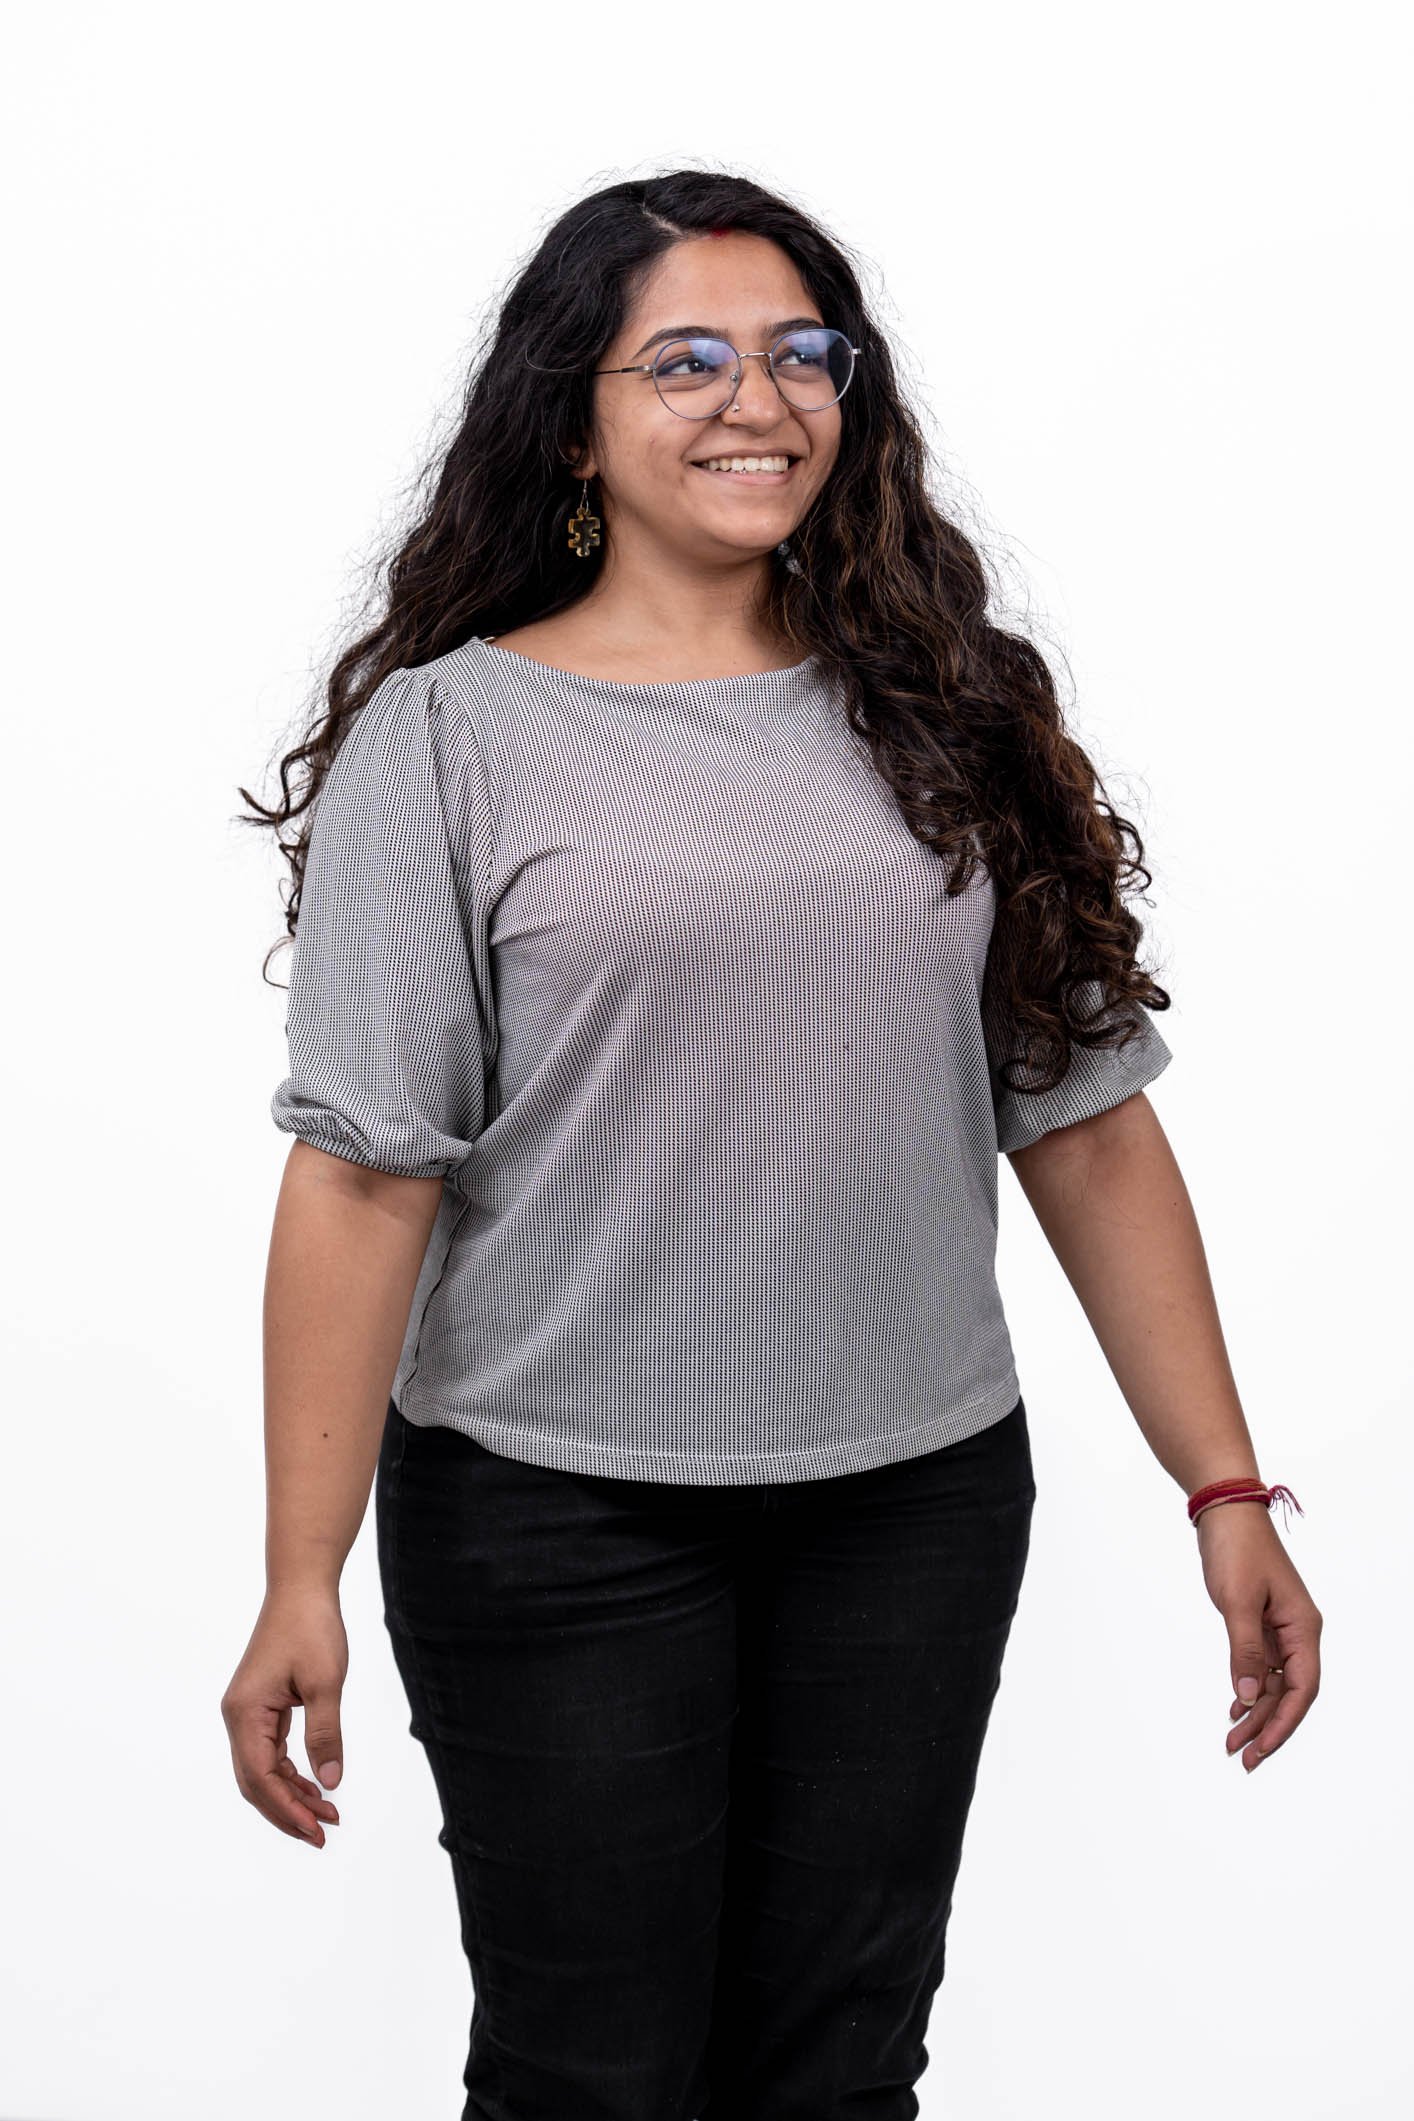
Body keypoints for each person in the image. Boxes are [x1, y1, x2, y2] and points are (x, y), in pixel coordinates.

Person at [222, 169, 1322, 2120]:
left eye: (803, 353)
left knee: (839, 2072)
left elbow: (1081, 1123)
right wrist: (298, 1570)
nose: (760, 398)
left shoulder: (948, 707)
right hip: (550, 1512)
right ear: (572, 423)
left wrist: (1220, 1485)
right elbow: (366, 1173)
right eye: (687, 361)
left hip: (913, 1504)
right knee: (590, 2079)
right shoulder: (450, 737)